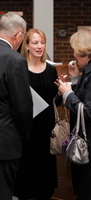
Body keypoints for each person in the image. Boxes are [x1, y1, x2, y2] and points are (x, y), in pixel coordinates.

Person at [0, 12, 33, 200]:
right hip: (2, 143)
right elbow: (22, 107)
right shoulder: (15, 60)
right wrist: (26, 133)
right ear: (18, 36)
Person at [14, 28, 59, 200]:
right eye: (35, 43)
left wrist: (62, 93)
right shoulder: (19, 68)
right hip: (26, 130)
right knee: (26, 171)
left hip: (47, 129)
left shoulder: (51, 69)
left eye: (42, 42)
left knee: (45, 173)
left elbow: (55, 101)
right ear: (26, 46)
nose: (39, 46)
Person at [55, 28, 91, 200]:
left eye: (76, 53)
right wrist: (76, 79)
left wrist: (68, 93)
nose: (74, 56)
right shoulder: (87, 72)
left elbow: (88, 111)